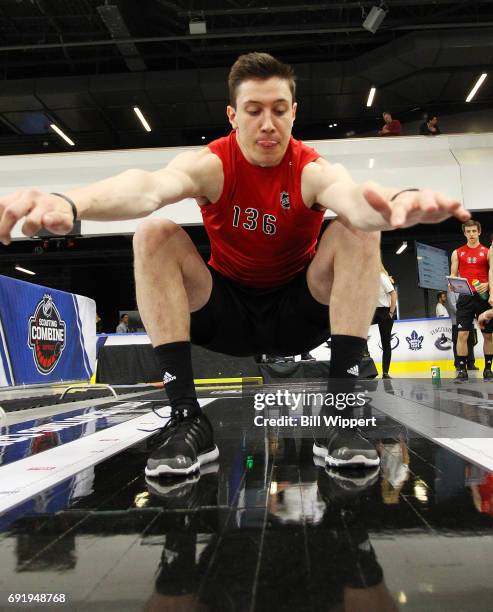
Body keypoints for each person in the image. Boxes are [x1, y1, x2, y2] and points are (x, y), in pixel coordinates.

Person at [0, 52, 470, 478]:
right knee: (153, 233)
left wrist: (399, 200)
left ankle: (341, 416)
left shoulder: (310, 168)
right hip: (226, 312)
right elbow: (147, 188)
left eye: (279, 110)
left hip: (299, 311)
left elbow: (356, 199)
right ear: (233, 116)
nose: (268, 123)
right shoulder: (214, 164)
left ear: (293, 114)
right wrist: (70, 201)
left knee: (359, 227)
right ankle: (186, 417)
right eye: (254, 110)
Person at [450, 219, 493, 380]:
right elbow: (453, 275)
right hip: (465, 298)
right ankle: (462, 369)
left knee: (488, 335)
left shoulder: (488, 252)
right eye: (468, 232)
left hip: (483, 298)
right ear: (464, 233)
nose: (471, 234)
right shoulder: (457, 252)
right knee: (462, 334)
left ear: (479, 232)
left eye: (474, 231)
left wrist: (488, 285)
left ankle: (488, 369)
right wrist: (452, 283)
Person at [371, 264, 397, 379]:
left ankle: (385, 372)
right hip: (373, 311)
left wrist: (391, 312)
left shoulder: (381, 277)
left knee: (386, 342)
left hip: (384, 311)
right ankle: (365, 353)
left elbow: (393, 294)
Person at [447, 288, 478, 370]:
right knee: (458, 341)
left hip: (469, 320)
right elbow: (453, 305)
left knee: (470, 342)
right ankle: (458, 364)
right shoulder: (451, 288)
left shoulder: (467, 286)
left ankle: (471, 363)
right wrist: (464, 314)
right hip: (457, 321)